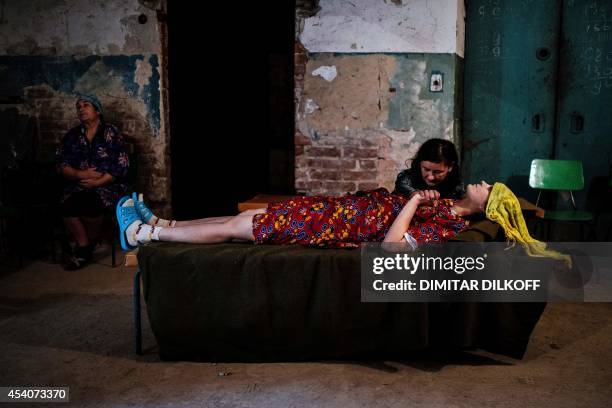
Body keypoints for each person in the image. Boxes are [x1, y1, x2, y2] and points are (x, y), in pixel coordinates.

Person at [116, 183, 570, 265]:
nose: (482, 181)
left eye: (488, 188)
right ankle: (162, 220)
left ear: (488, 206)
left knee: (241, 229)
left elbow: (392, 249)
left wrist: (411, 201)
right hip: (333, 211)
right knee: (246, 217)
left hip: (332, 230)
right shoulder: (447, 206)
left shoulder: (445, 230)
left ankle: (145, 235)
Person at [56, 94, 130, 270]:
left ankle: (85, 249)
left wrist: (98, 182)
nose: (81, 109)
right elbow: (61, 163)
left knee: (93, 205)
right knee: (67, 205)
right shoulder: (72, 135)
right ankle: (85, 246)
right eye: (78, 107)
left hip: (108, 185)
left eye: (86, 105)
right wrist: (80, 174)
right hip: (78, 184)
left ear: (97, 110)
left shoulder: (110, 132)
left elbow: (122, 164)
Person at [394, 138, 465, 201]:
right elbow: (402, 187)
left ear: (450, 167)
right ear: (420, 164)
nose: (430, 177)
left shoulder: (456, 186)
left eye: (437, 172)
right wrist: (416, 195)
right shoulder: (406, 179)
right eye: (426, 169)